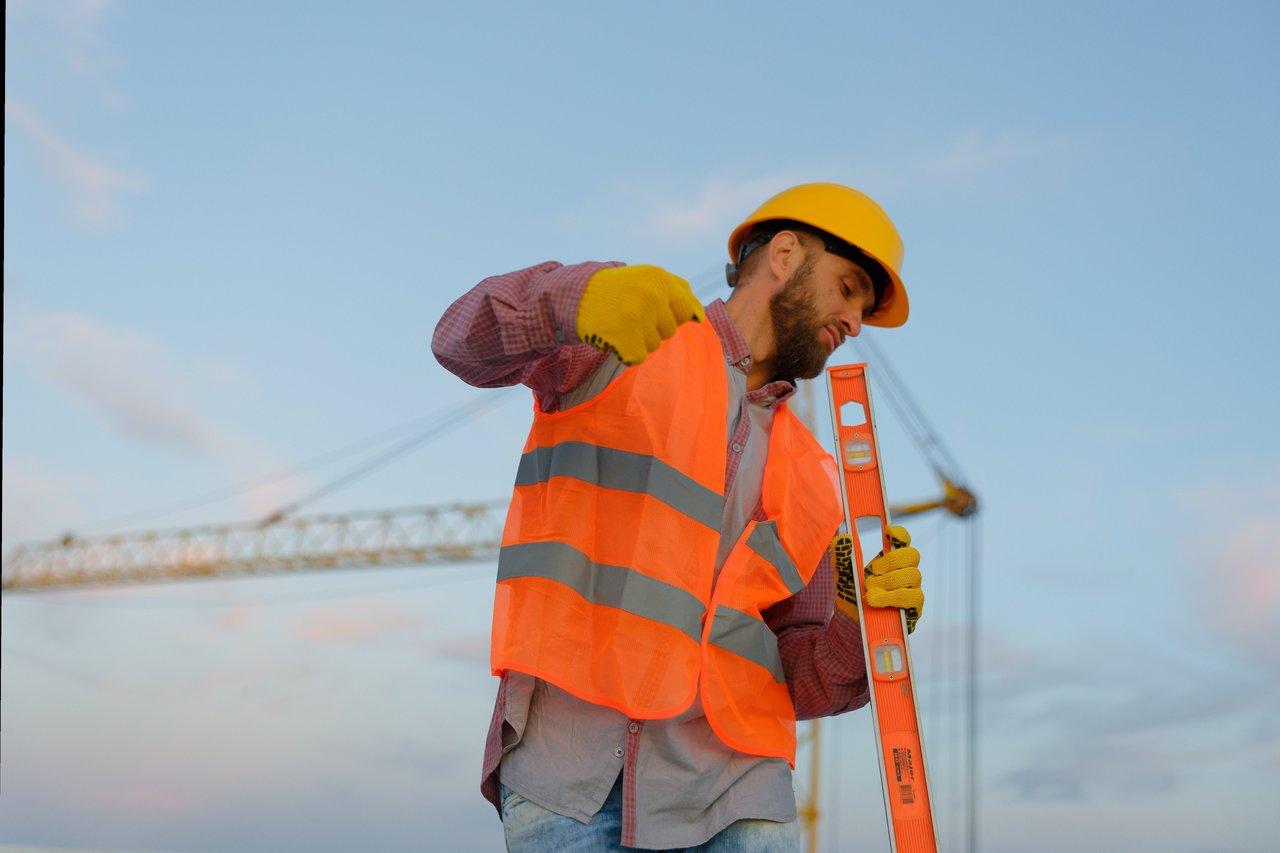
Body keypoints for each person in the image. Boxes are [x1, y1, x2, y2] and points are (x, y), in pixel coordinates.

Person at [432, 182, 926, 851]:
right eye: (847, 288)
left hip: (737, 794)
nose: (856, 322)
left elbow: (802, 678)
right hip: (570, 771)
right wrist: (573, 301)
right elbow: (461, 339)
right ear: (783, 255)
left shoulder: (811, 471)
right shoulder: (629, 332)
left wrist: (857, 621)